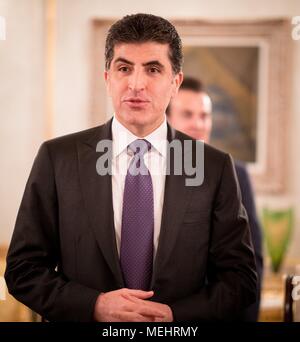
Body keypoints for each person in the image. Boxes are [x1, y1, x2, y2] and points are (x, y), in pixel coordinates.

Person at [5, 13, 257, 322]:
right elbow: (23, 270)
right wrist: (94, 306)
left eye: (153, 69)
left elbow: (241, 279)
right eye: (124, 68)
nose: (136, 84)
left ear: (175, 82)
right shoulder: (58, 158)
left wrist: (174, 315)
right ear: (108, 78)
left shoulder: (213, 167)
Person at [167, 77, 263, 321]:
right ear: (167, 119)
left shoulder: (236, 174)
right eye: (188, 114)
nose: (198, 124)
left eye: (204, 115)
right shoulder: (147, 173)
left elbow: (252, 263)